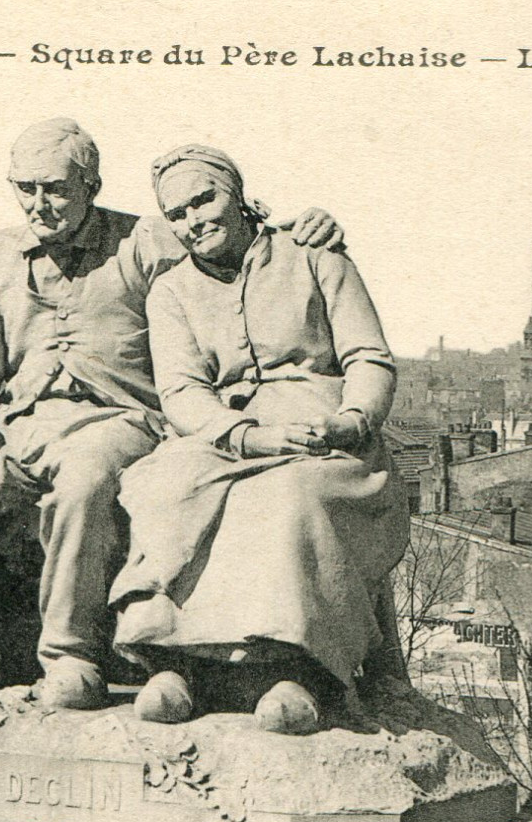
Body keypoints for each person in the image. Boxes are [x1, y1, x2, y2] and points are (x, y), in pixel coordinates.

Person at [0, 119, 343, 709]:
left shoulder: (147, 242)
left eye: (55, 188)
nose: (39, 204)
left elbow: (230, 246)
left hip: (126, 425)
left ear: (91, 184)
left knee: (86, 477)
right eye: (24, 188)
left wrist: (305, 230)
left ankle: (70, 655)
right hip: (20, 434)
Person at [109, 145, 409, 735]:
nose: (194, 219)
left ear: (238, 196)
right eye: (177, 214)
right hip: (225, 434)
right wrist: (245, 436)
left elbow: (369, 358)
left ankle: (299, 671)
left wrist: (352, 420)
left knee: (289, 496)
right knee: (162, 487)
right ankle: (177, 662)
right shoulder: (169, 291)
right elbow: (183, 393)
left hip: (322, 435)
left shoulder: (316, 257)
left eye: (205, 199)